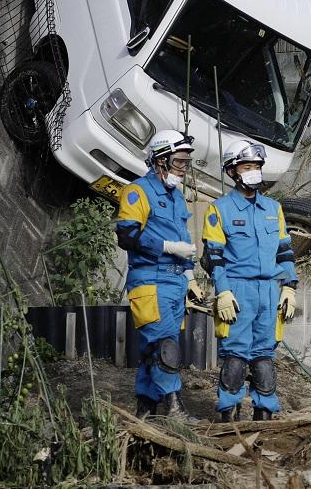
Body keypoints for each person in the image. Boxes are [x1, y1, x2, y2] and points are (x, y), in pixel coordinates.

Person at [202, 140, 297, 422]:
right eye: (247, 166)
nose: (254, 171)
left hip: (268, 291)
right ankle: (228, 413)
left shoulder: (273, 208)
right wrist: (223, 292)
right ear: (232, 171)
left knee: (264, 356)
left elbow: (285, 250)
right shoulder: (219, 210)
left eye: (257, 166)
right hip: (237, 291)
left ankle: (264, 412)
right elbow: (214, 257)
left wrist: (290, 287)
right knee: (235, 356)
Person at [116, 129, 201, 417]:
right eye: (179, 162)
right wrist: (167, 246)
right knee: (165, 346)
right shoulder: (138, 190)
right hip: (150, 280)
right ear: (160, 160)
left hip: (174, 282)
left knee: (155, 348)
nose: (183, 168)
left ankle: (145, 410)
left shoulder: (176, 198)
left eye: (186, 163)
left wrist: (190, 278)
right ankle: (175, 409)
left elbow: (184, 243)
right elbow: (126, 236)